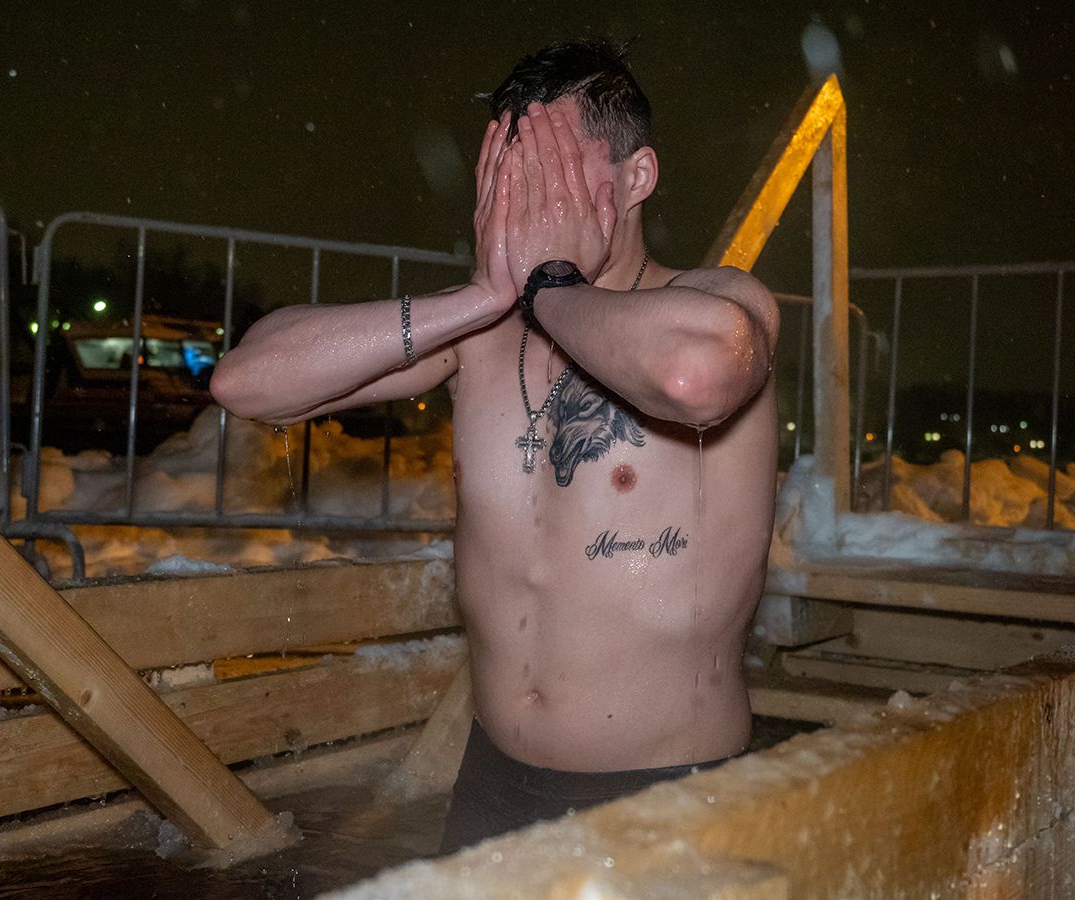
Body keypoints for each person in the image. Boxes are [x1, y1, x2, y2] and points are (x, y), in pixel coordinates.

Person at [210, 39, 779, 853]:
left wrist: (550, 286)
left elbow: (695, 376)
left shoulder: (712, 303)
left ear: (637, 178)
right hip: (493, 783)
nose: (524, 201)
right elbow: (248, 381)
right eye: (510, 173)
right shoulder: (481, 334)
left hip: (666, 792)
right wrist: (481, 297)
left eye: (551, 171)